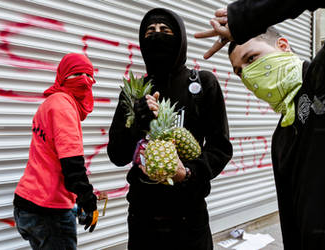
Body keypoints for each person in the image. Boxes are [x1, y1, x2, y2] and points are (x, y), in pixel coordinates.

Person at [195, 1, 325, 249]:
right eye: (239, 72)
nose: (248, 76)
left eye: (252, 58)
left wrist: (247, 17)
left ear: (283, 46)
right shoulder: (281, 136)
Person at [107, 8, 233, 250]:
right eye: (150, 32)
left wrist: (188, 174)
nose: (156, 35)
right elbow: (117, 155)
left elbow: (220, 148)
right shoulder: (134, 92)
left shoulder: (203, 84)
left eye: (165, 30)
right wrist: (137, 122)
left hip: (189, 216)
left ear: (180, 38)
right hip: (143, 216)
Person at [13, 53, 99, 250]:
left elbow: (52, 158)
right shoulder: (63, 106)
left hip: (28, 203)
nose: (85, 81)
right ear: (63, 75)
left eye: (88, 75)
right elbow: (72, 164)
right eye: (77, 74)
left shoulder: (49, 104)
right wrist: (88, 198)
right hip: (48, 210)